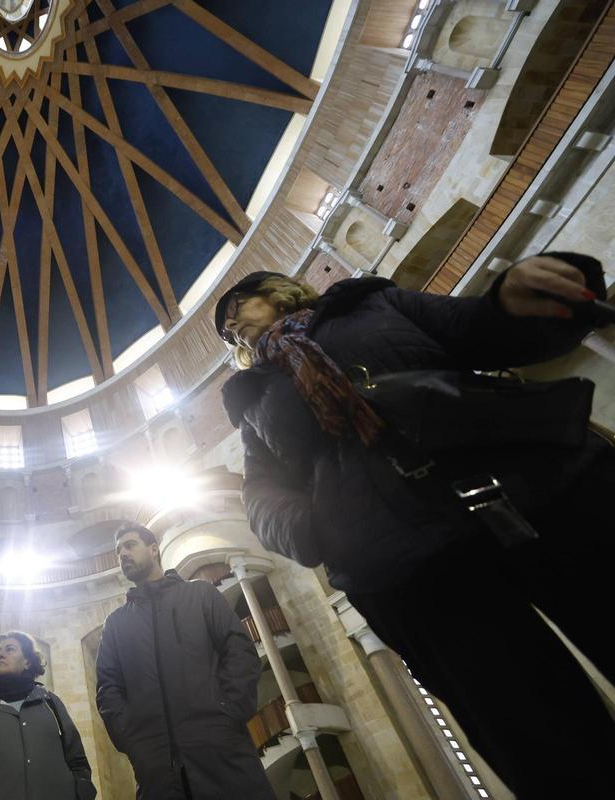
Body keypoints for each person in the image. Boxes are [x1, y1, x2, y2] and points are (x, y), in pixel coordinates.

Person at [215, 253, 615, 797]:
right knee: (540, 737)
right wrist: (324, 527)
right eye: (226, 329)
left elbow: (472, 329)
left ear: (277, 291)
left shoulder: (372, 303)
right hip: (410, 566)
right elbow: (261, 499)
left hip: (533, 491)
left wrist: (510, 303)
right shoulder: (254, 400)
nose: (232, 324)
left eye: (237, 306)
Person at [95, 524, 273, 800]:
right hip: (157, 770)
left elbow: (239, 650)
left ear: (153, 549)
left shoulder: (200, 594)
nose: (123, 554)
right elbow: (108, 688)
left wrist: (229, 710)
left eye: (130, 545)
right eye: (118, 551)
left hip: (223, 756)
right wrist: (133, 741)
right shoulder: (116, 624)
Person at [0, 630, 97, 800]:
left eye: (10, 649)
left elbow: (77, 759)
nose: (0, 654)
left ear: (27, 661)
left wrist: (81, 792)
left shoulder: (51, 703)